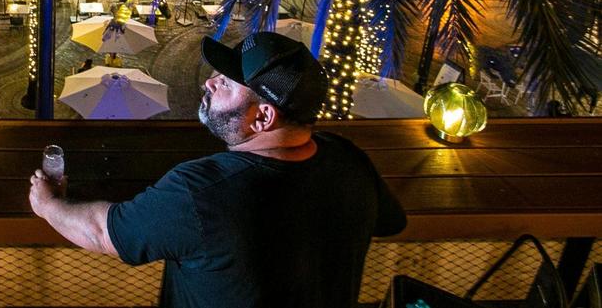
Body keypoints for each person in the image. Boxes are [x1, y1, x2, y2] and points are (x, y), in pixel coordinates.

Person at [28, 31, 406, 308]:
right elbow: (391, 221)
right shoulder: (348, 159)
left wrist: (47, 205)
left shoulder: (202, 191)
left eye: (225, 83)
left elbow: (102, 232)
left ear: (263, 117)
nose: (208, 82)